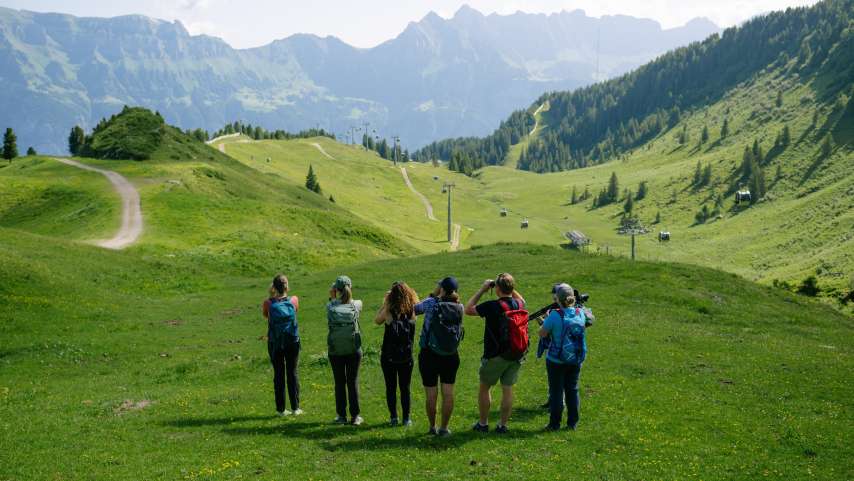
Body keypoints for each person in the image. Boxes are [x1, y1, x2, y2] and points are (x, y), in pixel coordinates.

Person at [465, 273, 527, 434]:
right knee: (507, 389)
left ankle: (483, 423)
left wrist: (483, 289)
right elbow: (523, 300)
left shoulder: (492, 305)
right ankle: (502, 425)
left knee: (485, 388)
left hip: (495, 355)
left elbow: (468, 309)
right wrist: (510, 286)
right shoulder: (519, 304)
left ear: (497, 289)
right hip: (516, 353)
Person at [415, 276, 464, 437]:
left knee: (431, 393)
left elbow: (415, 309)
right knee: (448, 392)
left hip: (429, 354)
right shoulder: (460, 307)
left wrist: (434, 293)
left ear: (441, 288)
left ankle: (432, 426)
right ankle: (444, 428)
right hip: (451, 355)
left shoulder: (431, 303)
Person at [538, 284, 589, 430]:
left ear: (557, 299)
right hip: (576, 358)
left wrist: (546, 320)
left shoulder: (555, 315)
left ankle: (554, 424)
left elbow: (542, 333)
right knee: (572, 389)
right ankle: (572, 423)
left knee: (556, 391)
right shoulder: (580, 312)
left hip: (556, 359)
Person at [374, 281, 418, 427]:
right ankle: (406, 418)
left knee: (390, 387)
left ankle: (394, 417)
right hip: (406, 355)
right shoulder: (411, 311)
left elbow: (377, 321)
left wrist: (386, 303)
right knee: (405, 388)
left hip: (388, 355)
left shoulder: (389, 312)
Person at [262, 274, 303, 416]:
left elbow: (266, 316)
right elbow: (295, 311)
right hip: (292, 341)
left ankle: (281, 409)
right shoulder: (294, 300)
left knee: (279, 374)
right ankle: (296, 408)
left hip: (275, 342)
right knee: (292, 372)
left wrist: (271, 294)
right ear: (287, 286)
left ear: (273, 287)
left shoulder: (268, 303)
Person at [326, 275, 364, 426]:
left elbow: (330, 305)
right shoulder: (356, 305)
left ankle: (341, 416)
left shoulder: (330, 306)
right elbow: (358, 302)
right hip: (353, 349)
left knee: (339, 382)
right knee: (352, 381)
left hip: (335, 350)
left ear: (336, 290)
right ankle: (355, 417)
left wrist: (332, 297)